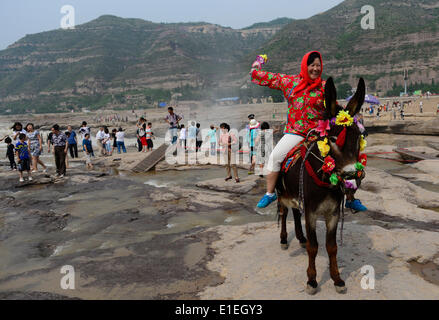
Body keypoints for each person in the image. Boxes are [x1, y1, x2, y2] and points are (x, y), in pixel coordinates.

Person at [251, 51, 367, 211]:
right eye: (312, 65)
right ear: (305, 66)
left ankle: (350, 197)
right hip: (295, 133)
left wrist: (349, 119)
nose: (315, 69)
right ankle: (270, 193)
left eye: (318, 66)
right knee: (274, 157)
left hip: (318, 133)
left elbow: (335, 108)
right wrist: (257, 66)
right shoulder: (290, 82)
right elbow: (267, 78)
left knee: (344, 159)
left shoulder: (325, 86)